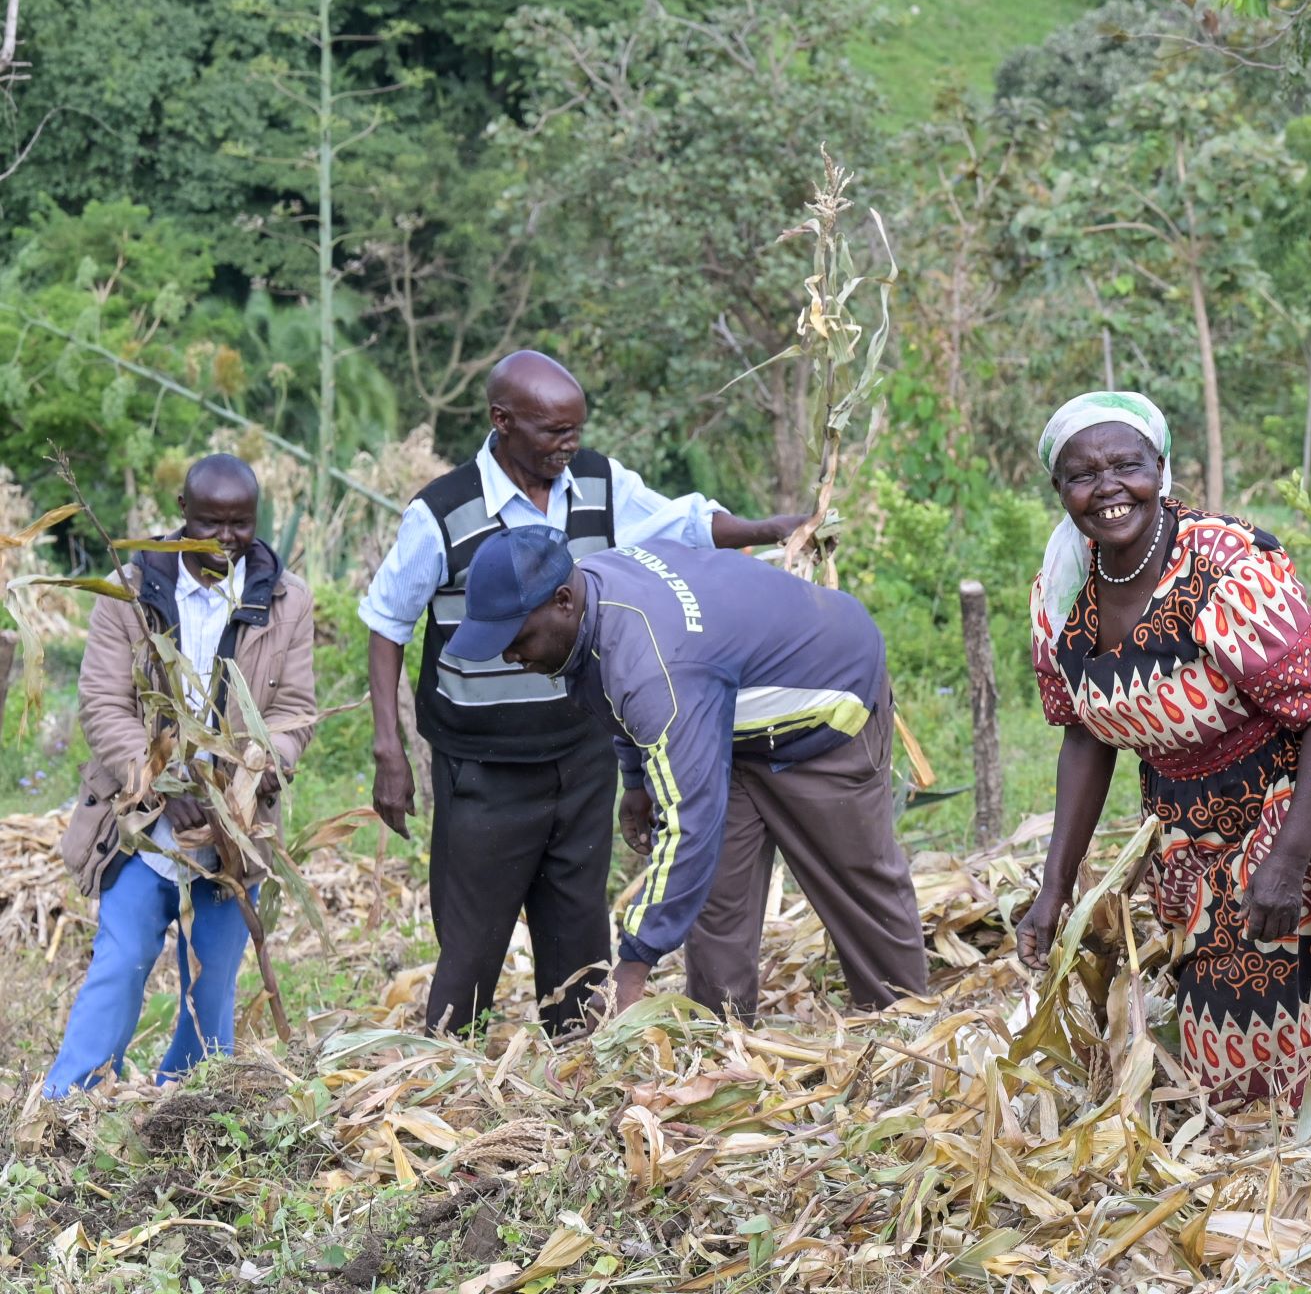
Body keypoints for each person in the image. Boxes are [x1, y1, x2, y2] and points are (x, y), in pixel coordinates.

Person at [359, 349, 805, 1035]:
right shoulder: (442, 512)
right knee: (472, 941)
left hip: (583, 752)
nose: (568, 445)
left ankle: (578, 1064)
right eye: (552, 432)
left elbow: (682, 523)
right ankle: (449, 1069)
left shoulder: (598, 483)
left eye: (575, 430)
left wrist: (769, 531)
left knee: (579, 935)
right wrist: (389, 749)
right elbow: (387, 621)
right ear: (501, 421)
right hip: (483, 766)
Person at [1015, 392, 1311, 1105]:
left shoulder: (1223, 567)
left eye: (1127, 466)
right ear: (1060, 491)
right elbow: (1084, 738)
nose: (1108, 488)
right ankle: (1257, 1176)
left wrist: (1290, 857)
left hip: (1300, 805)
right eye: (1083, 474)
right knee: (1221, 1032)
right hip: (1189, 828)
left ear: (1162, 469)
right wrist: (1053, 889)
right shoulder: (1062, 591)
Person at [453, 526, 927, 1017]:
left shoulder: (656, 665)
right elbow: (622, 691)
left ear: (564, 600)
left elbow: (687, 819)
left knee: (856, 883)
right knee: (717, 900)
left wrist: (633, 966)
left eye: (516, 637)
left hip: (826, 701)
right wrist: (635, 781)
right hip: (722, 715)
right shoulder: (599, 586)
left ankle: (904, 1030)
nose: (510, 655)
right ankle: (723, 1044)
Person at [45, 455, 315, 1094]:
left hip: (235, 829)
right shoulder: (130, 589)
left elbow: (295, 713)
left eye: (241, 524)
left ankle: (188, 1104)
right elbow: (104, 704)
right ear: (181, 510)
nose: (225, 539)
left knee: (214, 973)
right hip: (141, 822)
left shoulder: (285, 598)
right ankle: (66, 1103)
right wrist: (163, 786)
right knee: (123, 958)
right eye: (210, 523)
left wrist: (244, 776)